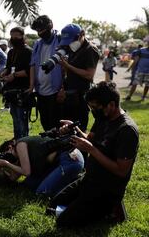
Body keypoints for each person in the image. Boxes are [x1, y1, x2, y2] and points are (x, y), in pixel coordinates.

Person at [48, 81, 139, 227]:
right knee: (53, 206)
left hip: (107, 189)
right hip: (90, 179)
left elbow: (121, 171)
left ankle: (112, 209)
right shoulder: (103, 118)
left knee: (63, 222)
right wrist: (74, 129)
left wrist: (92, 150)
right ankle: (91, 207)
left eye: (96, 107)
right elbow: (89, 140)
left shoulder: (127, 130)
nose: (93, 111)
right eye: (91, 108)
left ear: (111, 105)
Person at [0, 136, 84, 198]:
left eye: (6, 154)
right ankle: (70, 179)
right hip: (63, 162)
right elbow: (12, 179)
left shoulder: (19, 145)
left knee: (42, 193)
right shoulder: (20, 157)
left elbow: (26, 172)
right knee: (28, 184)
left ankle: (77, 183)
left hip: (70, 159)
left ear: (10, 147)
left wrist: (6, 163)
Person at [57, 24, 100, 132]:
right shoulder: (72, 48)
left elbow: (89, 75)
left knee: (78, 130)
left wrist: (68, 66)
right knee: (65, 129)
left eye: (71, 40)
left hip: (81, 97)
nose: (70, 44)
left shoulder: (90, 49)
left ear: (82, 35)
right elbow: (70, 73)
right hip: (69, 95)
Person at [30, 15, 63, 131]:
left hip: (56, 91)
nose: (40, 33)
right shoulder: (37, 44)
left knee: (57, 123)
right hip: (40, 91)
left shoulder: (60, 40)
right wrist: (31, 87)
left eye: (42, 29)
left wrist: (63, 88)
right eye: (38, 31)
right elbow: (32, 65)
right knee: (45, 122)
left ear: (50, 26)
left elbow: (66, 66)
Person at [0, 27, 33, 139]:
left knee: (22, 118)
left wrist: (14, 75)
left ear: (22, 36)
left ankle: (23, 141)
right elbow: (8, 67)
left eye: (16, 36)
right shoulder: (11, 52)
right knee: (15, 117)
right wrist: (3, 74)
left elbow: (30, 71)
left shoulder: (28, 51)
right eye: (12, 36)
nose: (14, 38)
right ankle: (17, 140)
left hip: (23, 89)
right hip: (11, 90)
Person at [125, 36, 149, 101]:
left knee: (147, 85)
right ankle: (129, 96)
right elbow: (135, 60)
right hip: (140, 71)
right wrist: (130, 68)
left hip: (148, 72)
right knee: (134, 84)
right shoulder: (141, 50)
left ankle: (143, 97)